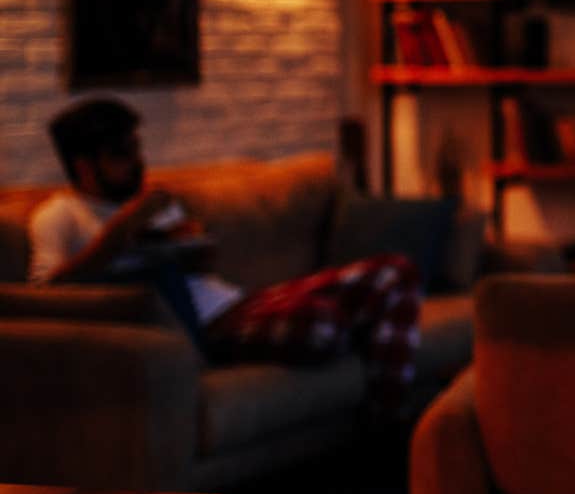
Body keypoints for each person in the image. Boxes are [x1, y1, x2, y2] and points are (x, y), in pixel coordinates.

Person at [28, 97, 424, 418]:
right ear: (84, 165)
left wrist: (191, 247)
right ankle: (388, 413)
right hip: (209, 331)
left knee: (396, 271)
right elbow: (43, 294)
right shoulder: (59, 215)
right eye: (122, 153)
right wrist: (120, 235)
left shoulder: (150, 203)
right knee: (323, 324)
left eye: (137, 148)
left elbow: (204, 263)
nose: (138, 162)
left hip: (242, 302)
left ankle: (386, 413)